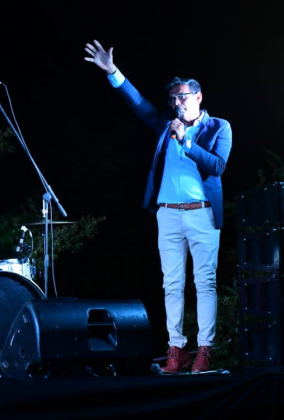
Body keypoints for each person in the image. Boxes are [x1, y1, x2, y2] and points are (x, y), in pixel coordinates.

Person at [84, 40, 232, 374]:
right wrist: (113, 72)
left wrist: (186, 141)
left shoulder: (218, 127)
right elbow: (139, 104)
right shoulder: (165, 124)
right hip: (168, 213)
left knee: (204, 283)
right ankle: (176, 350)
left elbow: (218, 166)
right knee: (172, 284)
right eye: (173, 98)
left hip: (202, 212)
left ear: (198, 97)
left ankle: (205, 350)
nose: (177, 102)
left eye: (183, 96)